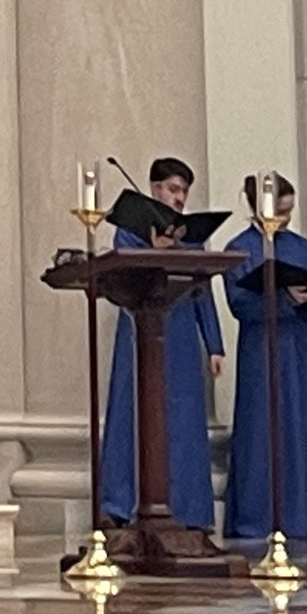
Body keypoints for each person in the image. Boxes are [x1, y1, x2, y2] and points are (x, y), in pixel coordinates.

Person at [98, 156, 223, 535]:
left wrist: (214, 345)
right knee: (132, 413)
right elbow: (121, 276)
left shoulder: (191, 237)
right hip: (140, 331)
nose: (179, 197)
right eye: (173, 189)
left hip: (181, 335)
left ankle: (189, 510)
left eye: (184, 191)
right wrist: (156, 248)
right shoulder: (129, 230)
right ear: (154, 189)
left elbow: (203, 291)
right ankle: (120, 504)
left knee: (184, 421)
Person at [224, 173, 307, 542]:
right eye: (281, 211)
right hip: (262, 347)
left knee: (306, 422)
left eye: (290, 211)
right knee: (264, 426)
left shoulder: (299, 245)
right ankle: (260, 516)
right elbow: (239, 304)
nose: (287, 219)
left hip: (303, 345)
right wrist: (284, 298)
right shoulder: (239, 248)